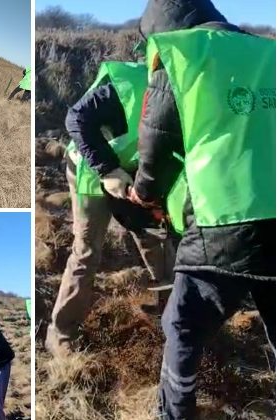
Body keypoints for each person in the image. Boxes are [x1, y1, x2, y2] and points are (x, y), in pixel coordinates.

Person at [128, 0, 275, 418]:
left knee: (182, 323)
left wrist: (145, 191)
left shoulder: (180, 55)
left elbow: (156, 142)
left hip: (221, 219)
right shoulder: (270, 52)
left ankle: (174, 412)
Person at [44, 59, 176, 357]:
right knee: (87, 250)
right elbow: (76, 119)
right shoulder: (127, 84)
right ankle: (61, 333)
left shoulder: (194, 92)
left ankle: (170, 321)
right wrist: (108, 170)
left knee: (156, 239)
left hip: (139, 172)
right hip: (91, 169)